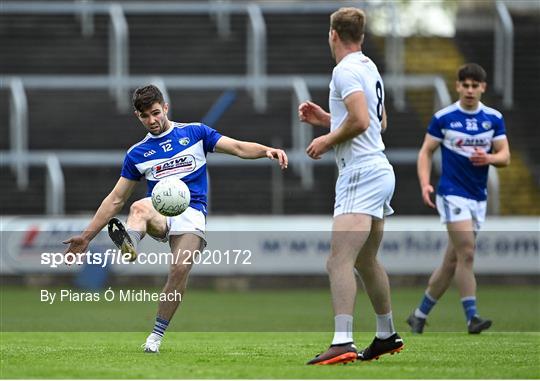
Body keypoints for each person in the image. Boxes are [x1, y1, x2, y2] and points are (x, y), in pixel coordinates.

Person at [63, 84, 288, 353]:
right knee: (137, 207)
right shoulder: (137, 153)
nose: (152, 120)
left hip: (192, 211)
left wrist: (266, 151)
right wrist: (87, 236)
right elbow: (115, 199)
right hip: (160, 211)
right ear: (138, 116)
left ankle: (156, 336)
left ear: (165, 107)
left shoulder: (195, 133)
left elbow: (238, 147)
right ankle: (130, 243)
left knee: (179, 270)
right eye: (145, 116)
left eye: (156, 113)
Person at [298, 7, 403, 365]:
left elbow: (360, 120)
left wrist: (327, 140)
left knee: (338, 260)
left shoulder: (344, 70)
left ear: (333, 35)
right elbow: (378, 121)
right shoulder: (369, 67)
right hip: (379, 169)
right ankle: (386, 334)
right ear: (361, 35)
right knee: (366, 259)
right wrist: (328, 120)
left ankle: (342, 341)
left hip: (360, 172)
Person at [407, 63, 510, 334]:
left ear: (483, 88)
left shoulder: (493, 118)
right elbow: (425, 152)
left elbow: (505, 156)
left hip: (478, 196)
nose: (470, 90)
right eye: (465, 85)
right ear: (458, 86)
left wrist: (488, 157)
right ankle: (472, 317)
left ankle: (419, 315)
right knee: (467, 252)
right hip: (451, 193)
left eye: (475, 86)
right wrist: (425, 183)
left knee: (453, 261)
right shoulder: (444, 117)